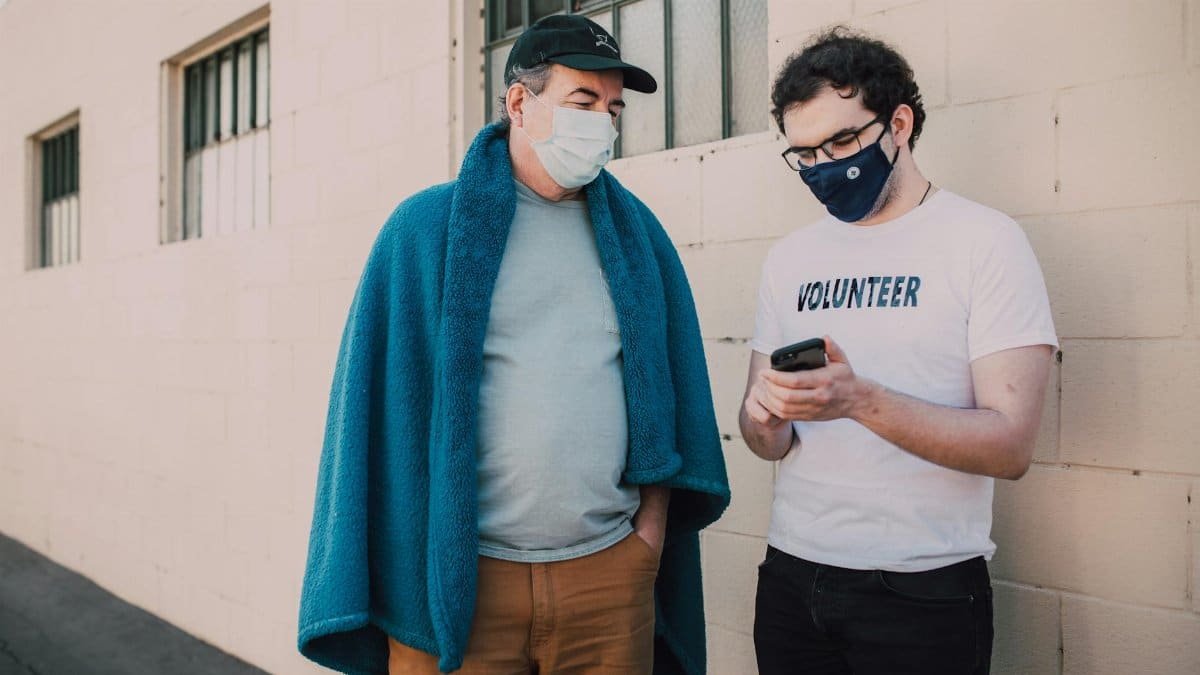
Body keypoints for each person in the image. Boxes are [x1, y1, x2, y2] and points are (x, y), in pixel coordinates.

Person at [298, 14, 729, 675]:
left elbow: (667, 395)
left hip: (607, 577)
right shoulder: (424, 232)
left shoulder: (637, 236)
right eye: (583, 102)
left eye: (613, 108)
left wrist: (648, 538)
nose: (603, 123)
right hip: (460, 589)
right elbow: (372, 412)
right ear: (520, 104)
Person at [741, 27, 1057, 675]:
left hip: (923, 588)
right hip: (793, 574)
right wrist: (766, 417)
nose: (824, 165)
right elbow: (762, 438)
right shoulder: (790, 258)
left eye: (842, 141)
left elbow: (1011, 446)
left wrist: (859, 398)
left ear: (900, 122)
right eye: (804, 152)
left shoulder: (984, 242)